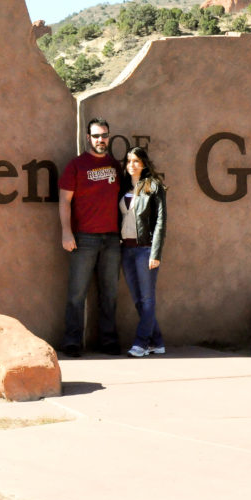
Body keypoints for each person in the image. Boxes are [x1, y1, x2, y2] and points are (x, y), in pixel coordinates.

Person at [58, 118, 122, 357]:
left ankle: (108, 341)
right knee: (77, 293)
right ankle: (72, 341)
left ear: (109, 137)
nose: (100, 140)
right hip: (84, 238)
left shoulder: (115, 166)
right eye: (96, 136)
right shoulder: (76, 165)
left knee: (110, 293)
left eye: (104, 135)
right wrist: (66, 231)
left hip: (112, 239)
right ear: (88, 138)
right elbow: (64, 201)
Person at [119, 146, 167, 358]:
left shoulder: (154, 187)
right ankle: (156, 341)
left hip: (145, 248)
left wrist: (155, 253)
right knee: (138, 300)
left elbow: (160, 223)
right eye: (129, 161)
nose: (132, 165)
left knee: (147, 299)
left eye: (136, 161)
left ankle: (141, 343)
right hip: (126, 249)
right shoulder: (123, 187)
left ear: (144, 164)